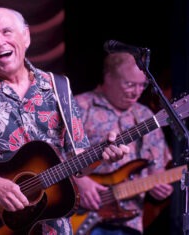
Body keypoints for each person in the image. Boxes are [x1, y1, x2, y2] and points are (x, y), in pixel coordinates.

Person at [0, 7, 129, 235]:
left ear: (26, 37)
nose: (0, 42)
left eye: (7, 32)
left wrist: (101, 156)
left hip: (53, 227)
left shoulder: (57, 87)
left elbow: (79, 164)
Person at [74, 51, 174, 235]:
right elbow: (52, 155)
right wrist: (80, 182)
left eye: (142, 86)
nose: (136, 92)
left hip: (130, 222)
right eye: (129, 84)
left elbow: (156, 168)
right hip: (81, 218)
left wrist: (159, 188)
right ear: (109, 77)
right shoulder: (79, 107)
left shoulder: (146, 116)